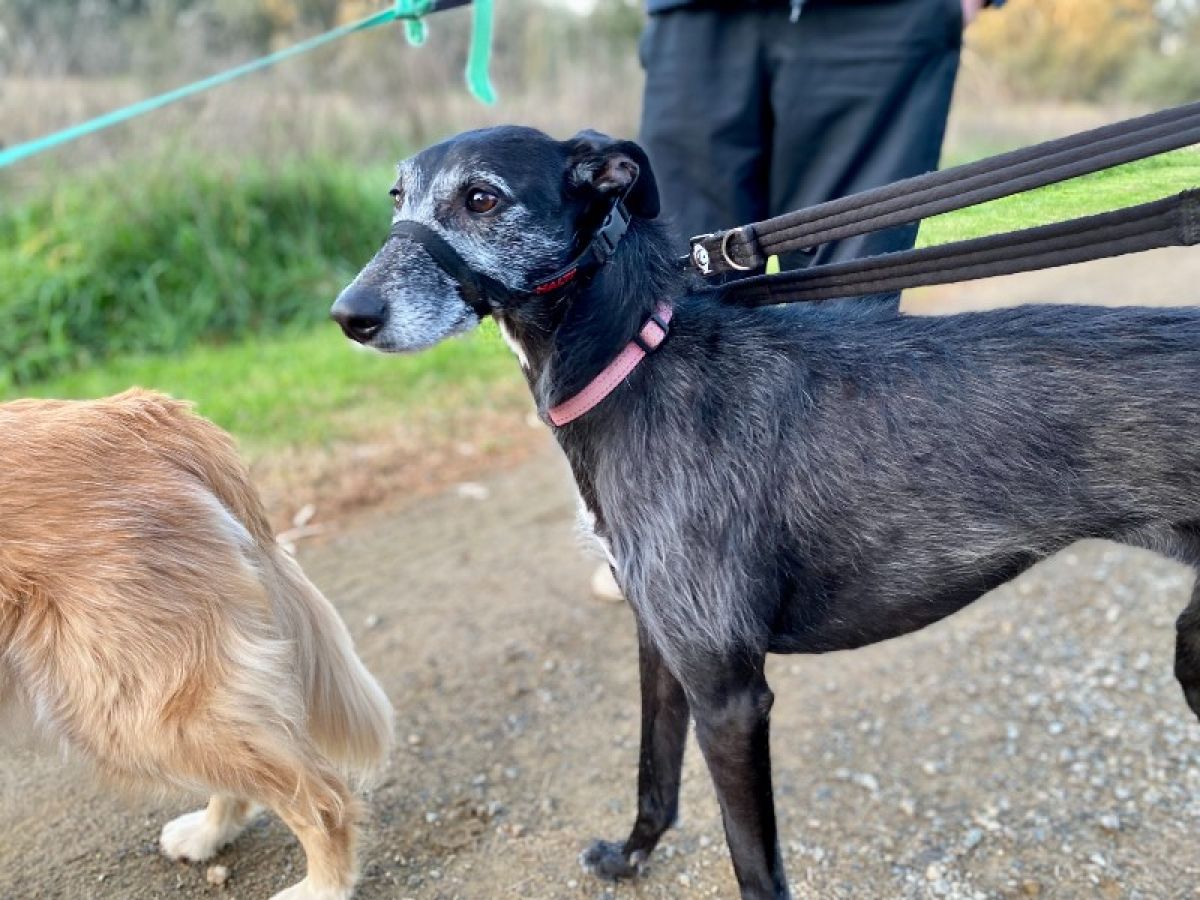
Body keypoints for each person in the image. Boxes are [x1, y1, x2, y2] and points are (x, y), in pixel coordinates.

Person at [592, 0, 1002, 601]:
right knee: (682, 281)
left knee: (849, 288)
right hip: (697, 18)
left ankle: (819, 536)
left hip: (886, 20)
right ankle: (670, 530)